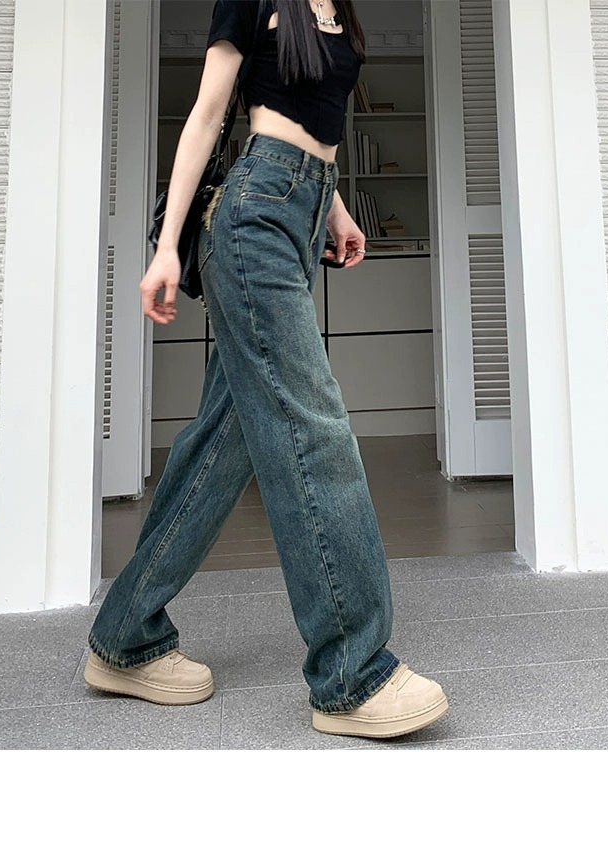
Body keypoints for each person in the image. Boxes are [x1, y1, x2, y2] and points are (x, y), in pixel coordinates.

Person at [84, 0, 448, 740]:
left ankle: (124, 637)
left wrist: (334, 207)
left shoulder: (337, 7)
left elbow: (316, 120)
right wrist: (165, 246)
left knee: (224, 443)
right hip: (254, 216)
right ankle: (352, 673)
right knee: (313, 429)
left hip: (302, 212)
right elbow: (208, 114)